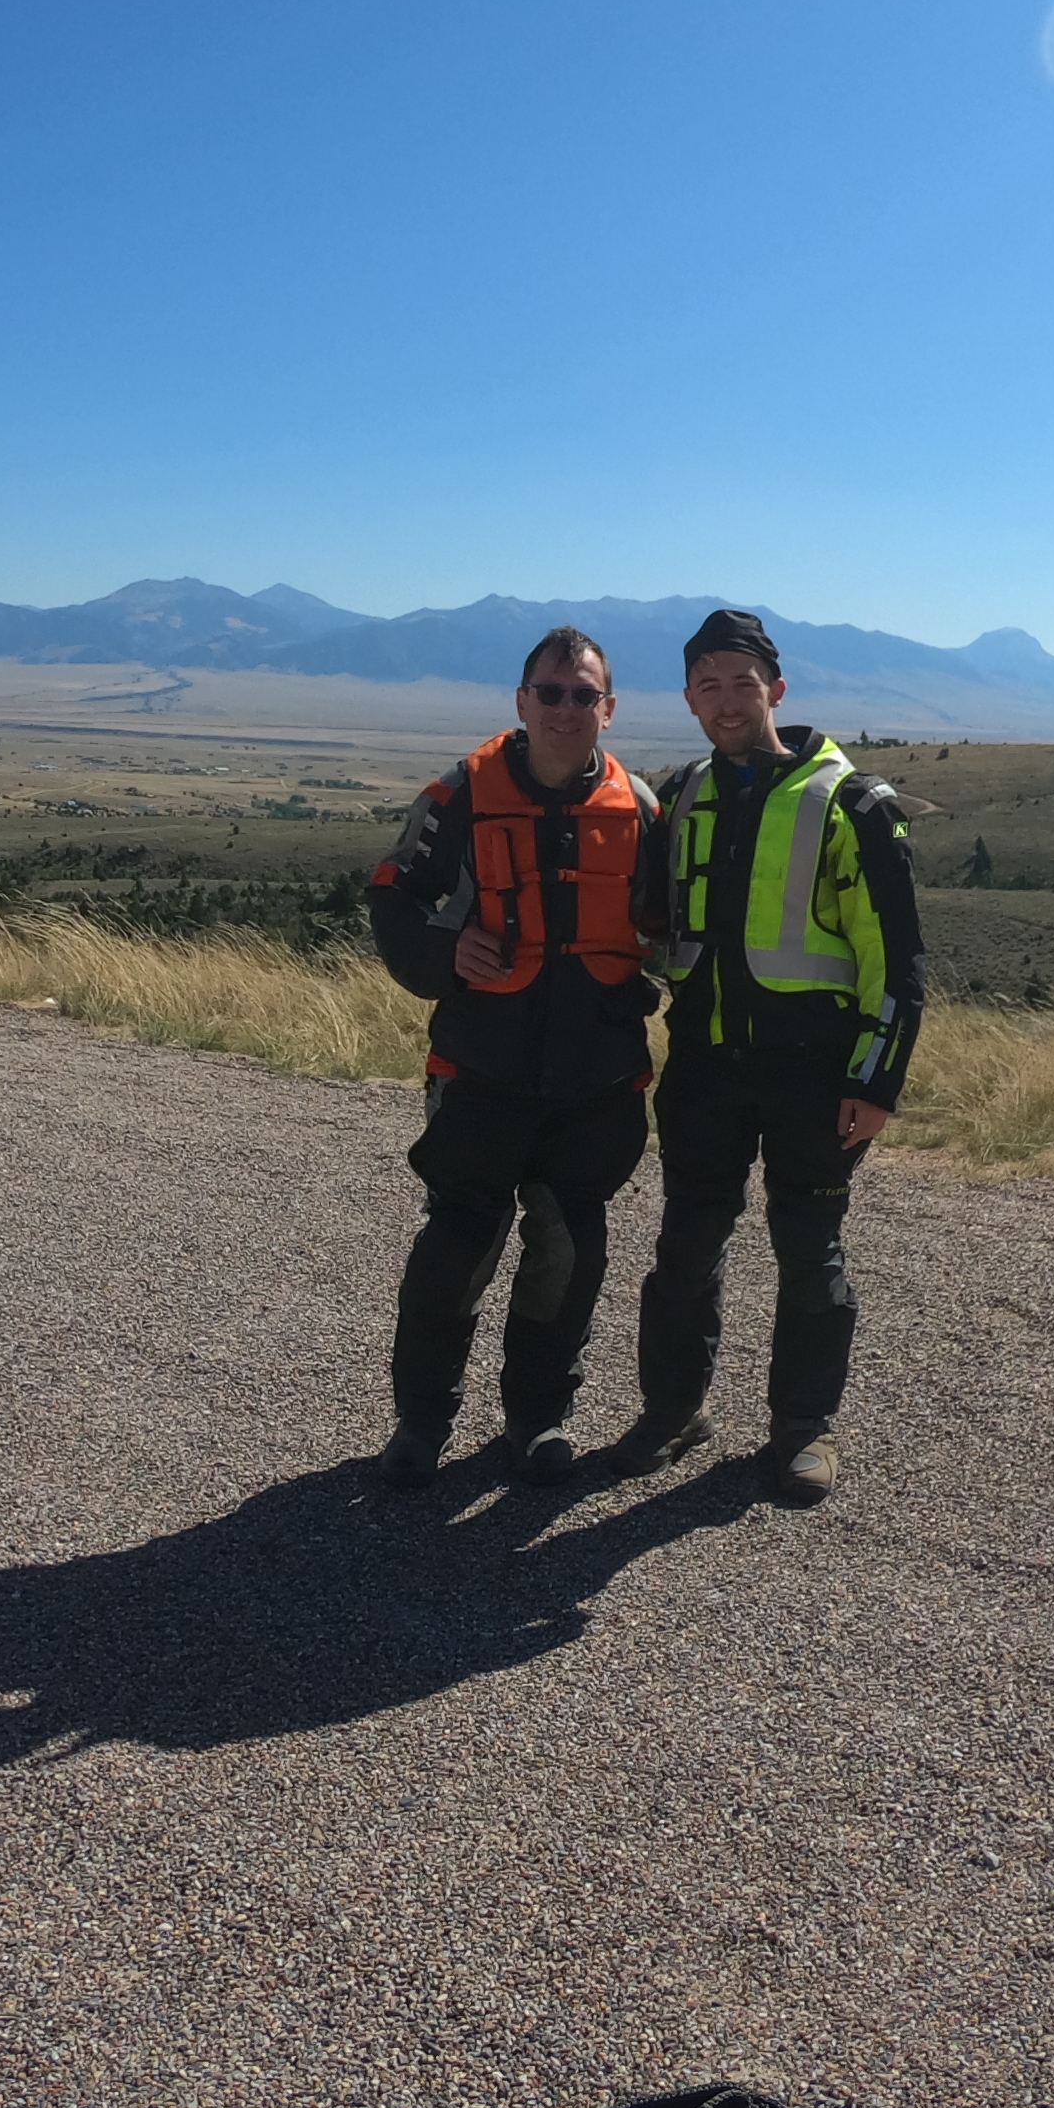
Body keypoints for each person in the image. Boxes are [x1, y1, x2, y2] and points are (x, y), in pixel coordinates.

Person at [612, 609, 926, 1506]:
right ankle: (673, 1413)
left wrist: (878, 1082)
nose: (724, 701)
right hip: (704, 1065)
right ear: (688, 699)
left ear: (776, 691)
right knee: (684, 1247)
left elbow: (896, 960)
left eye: (741, 683)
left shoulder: (851, 802)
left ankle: (802, 1433)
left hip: (814, 1074)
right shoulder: (681, 795)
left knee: (810, 1250)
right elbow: (649, 925)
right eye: (706, 686)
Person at [364, 626, 666, 1486]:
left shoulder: (641, 809)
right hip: (481, 1071)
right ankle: (421, 1424)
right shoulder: (460, 794)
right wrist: (443, 953)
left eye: (584, 694)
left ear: (608, 708)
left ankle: (537, 1422)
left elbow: (671, 929)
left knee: (569, 1253)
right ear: (522, 701)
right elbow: (395, 898)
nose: (567, 708)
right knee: (457, 1246)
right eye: (551, 691)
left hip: (596, 1081)